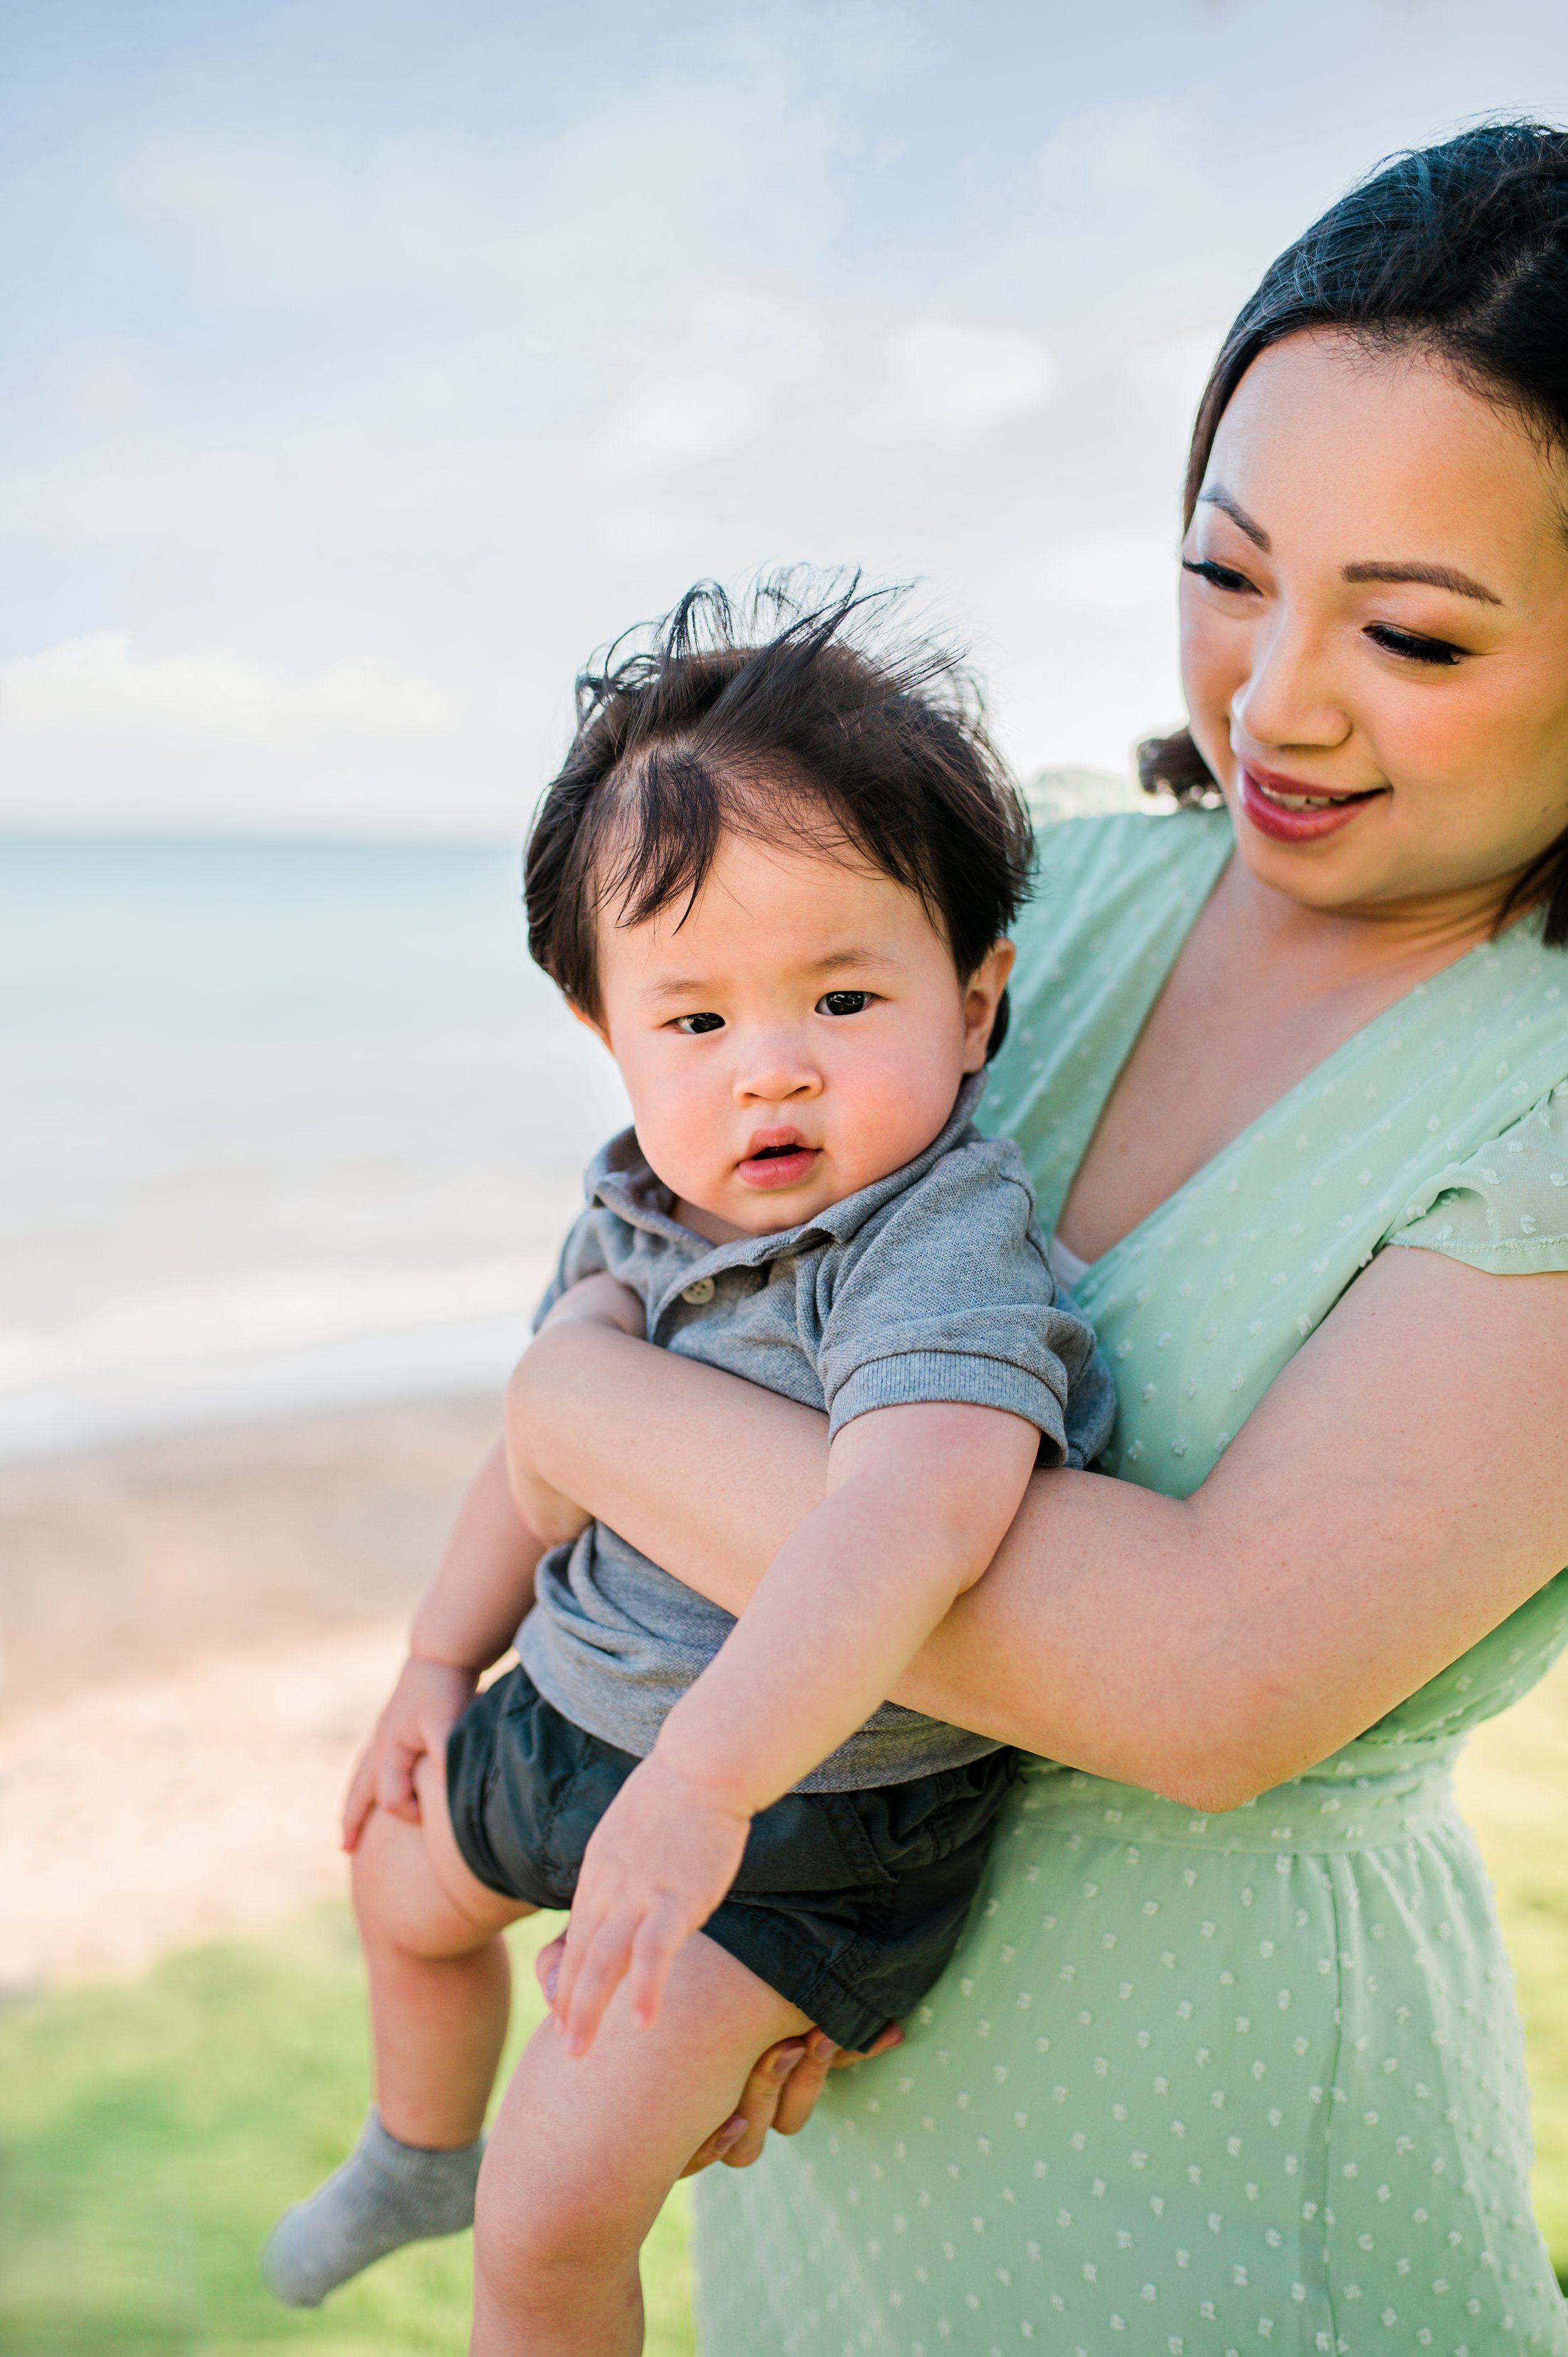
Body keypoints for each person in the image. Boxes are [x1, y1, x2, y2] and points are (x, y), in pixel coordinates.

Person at [506, 124, 1568, 2350]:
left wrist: (577, 1400)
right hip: (821, 2041)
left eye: (1407, 632)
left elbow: (1199, 1680)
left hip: (1208, 2144)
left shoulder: (1542, 1090)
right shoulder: (1049, 894)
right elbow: (717, 1223)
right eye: (1227, 572)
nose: (1275, 698)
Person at [263, 582, 1115, 2349]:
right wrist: (433, 1662)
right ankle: (415, 2140)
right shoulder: (633, 1198)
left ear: (973, 1005)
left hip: (798, 1812)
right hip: (580, 1700)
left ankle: (491, 2211)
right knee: (395, 1878)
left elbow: (919, 1511)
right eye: (698, 1021)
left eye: (842, 995)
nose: (771, 1072)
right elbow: (538, 1434)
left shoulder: (934, 1245)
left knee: (555, 2213)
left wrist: (713, 1786)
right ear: (607, 1035)